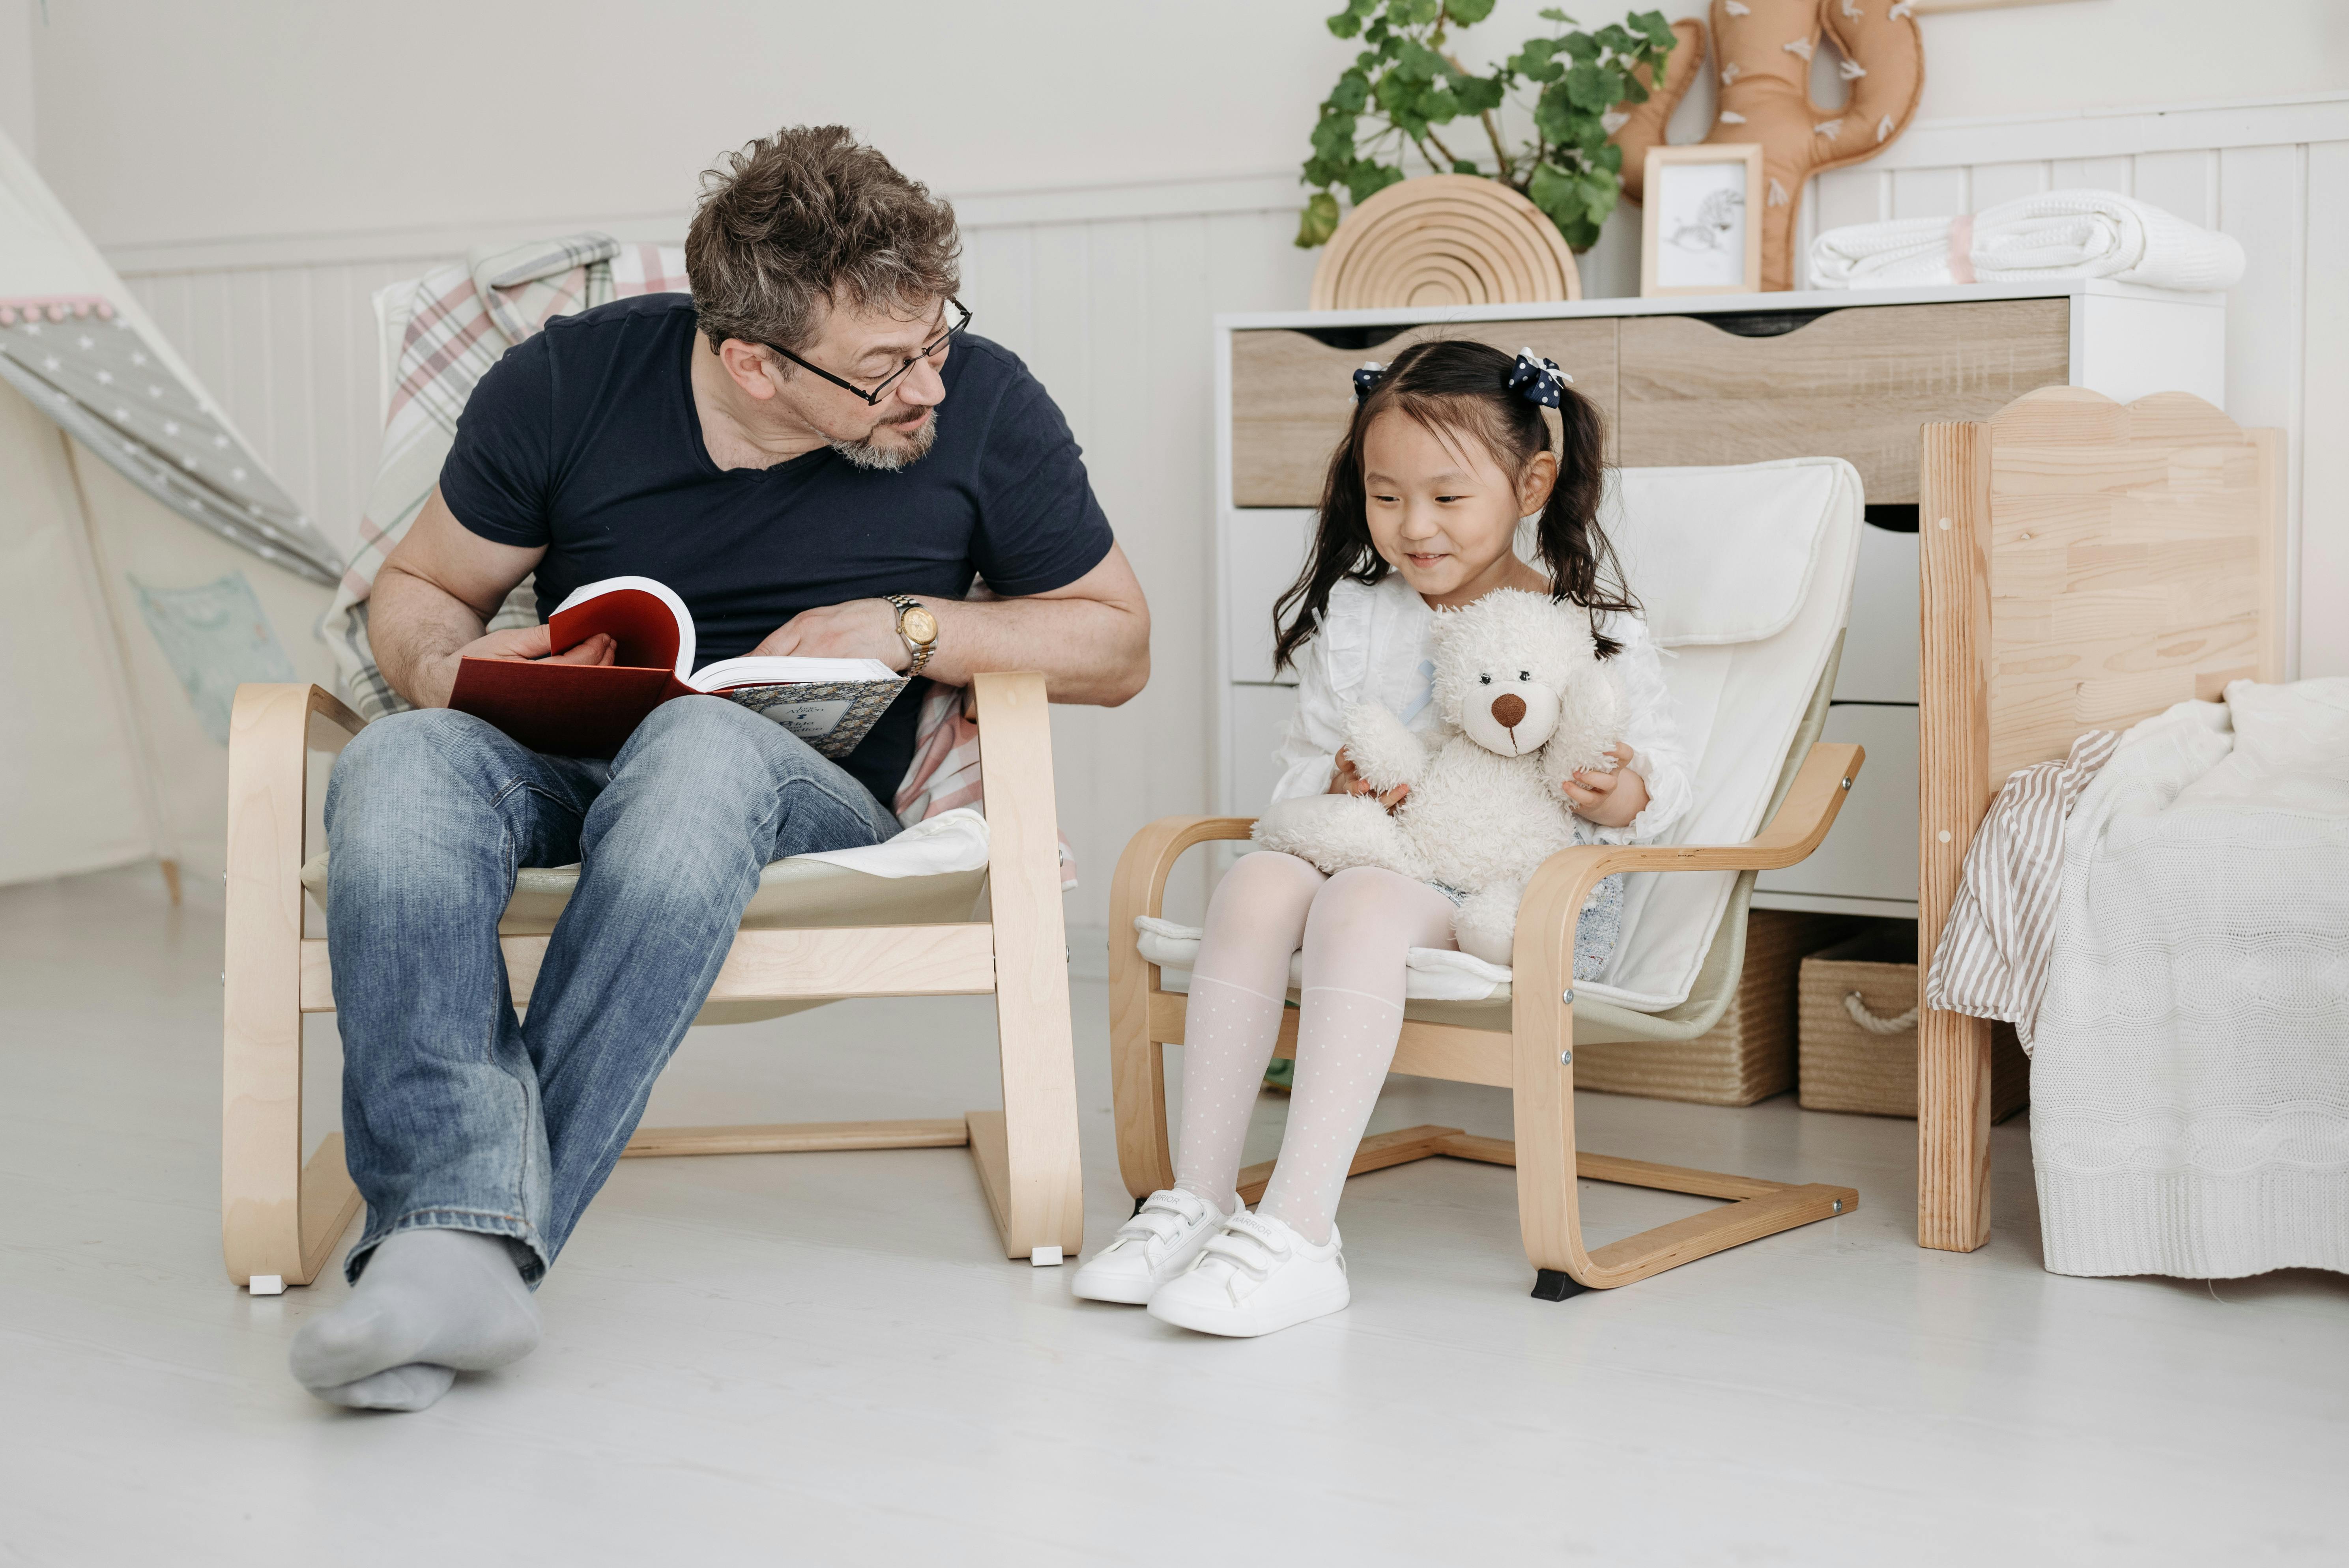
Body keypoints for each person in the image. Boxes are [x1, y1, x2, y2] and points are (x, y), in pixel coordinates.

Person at [289, 126, 1149, 1412]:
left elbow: (1118, 640)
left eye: (936, 337)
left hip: (806, 791)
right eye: (885, 367)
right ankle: (461, 1258)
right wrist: (447, 665)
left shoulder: (984, 403)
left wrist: (912, 627)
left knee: (697, 745)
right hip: (569, 758)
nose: (929, 384)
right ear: (753, 361)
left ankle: (449, 1242)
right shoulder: (567, 382)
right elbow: (419, 588)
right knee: (402, 760)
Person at [1071, 339, 1689, 1337]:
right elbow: (1297, 775)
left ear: (1531, 485)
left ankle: (1301, 1228)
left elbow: (1664, 782)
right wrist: (1337, 780)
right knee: (1256, 882)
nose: (1414, 526)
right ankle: (1198, 1196)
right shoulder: (1360, 618)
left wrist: (1620, 791)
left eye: (1447, 498)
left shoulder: (1585, 623)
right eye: (1386, 496)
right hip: (1380, 853)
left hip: (1515, 897)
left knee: (1355, 902)